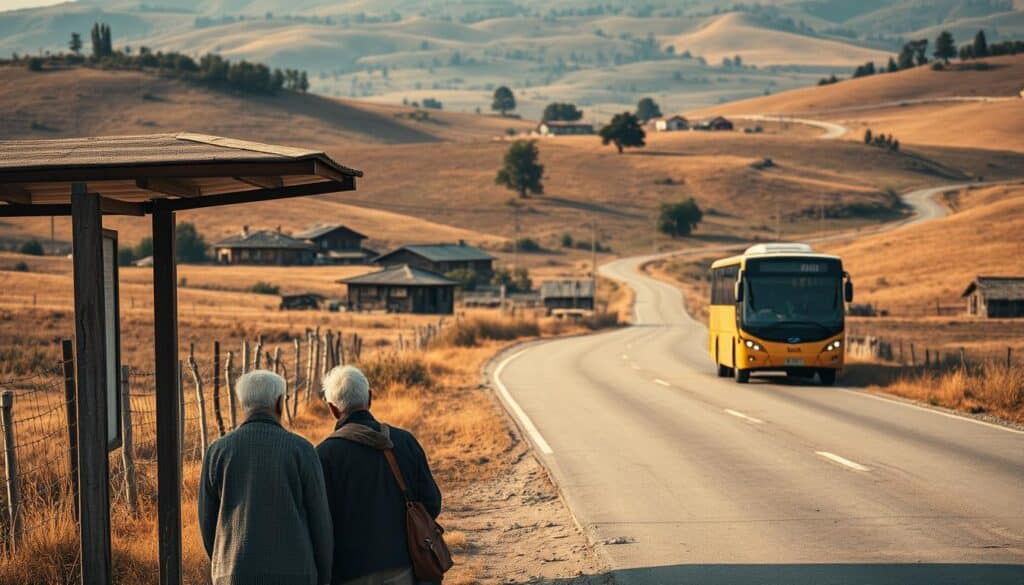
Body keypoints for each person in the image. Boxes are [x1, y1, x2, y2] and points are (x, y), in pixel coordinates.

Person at [198, 370, 334, 585]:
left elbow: (208, 525)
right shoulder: (302, 450)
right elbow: (321, 525)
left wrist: (223, 565)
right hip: (296, 575)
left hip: (234, 574)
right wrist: (324, 577)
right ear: (280, 403)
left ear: (243, 405)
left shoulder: (217, 451)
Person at [317, 365, 442, 585]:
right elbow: (432, 503)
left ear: (333, 409)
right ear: (370, 397)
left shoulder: (324, 455)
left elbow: (320, 524)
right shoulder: (405, 441)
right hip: (404, 567)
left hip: (349, 572)